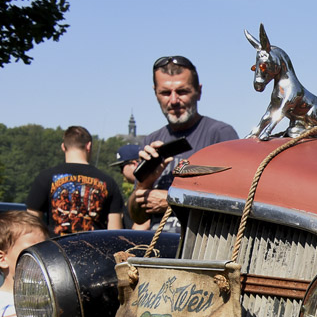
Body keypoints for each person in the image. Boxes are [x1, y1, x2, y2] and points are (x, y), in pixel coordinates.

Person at [131, 55, 238, 230]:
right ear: (155, 93)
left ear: (199, 92)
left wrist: (171, 201)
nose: (173, 100)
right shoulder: (151, 141)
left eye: (182, 92)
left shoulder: (219, 135)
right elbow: (137, 216)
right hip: (157, 245)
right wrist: (144, 183)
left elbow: (235, 201)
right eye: (165, 93)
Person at [25, 125, 124, 236]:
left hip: (56, 246)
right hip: (93, 246)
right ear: (89, 146)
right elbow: (115, 232)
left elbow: (31, 226)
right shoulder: (108, 182)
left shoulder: (45, 178)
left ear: (63, 147)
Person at [0, 211, 51, 317]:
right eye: (31, 251)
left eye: (46, 249)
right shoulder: (2, 306)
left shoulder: (55, 300)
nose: (41, 257)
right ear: (2, 259)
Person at [110, 144, 149, 230]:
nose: (121, 172)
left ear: (134, 164)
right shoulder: (139, 190)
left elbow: (142, 226)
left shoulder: (146, 191)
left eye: (121, 167)